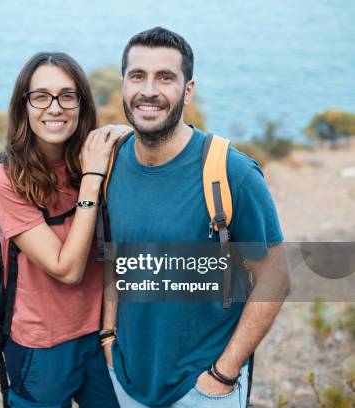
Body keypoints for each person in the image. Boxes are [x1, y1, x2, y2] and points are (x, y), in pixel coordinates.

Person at [101, 27, 290, 407]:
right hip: (127, 381)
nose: (149, 90)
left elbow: (275, 277)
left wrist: (223, 373)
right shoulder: (108, 164)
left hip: (201, 389)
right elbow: (115, 258)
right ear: (123, 85)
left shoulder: (231, 172)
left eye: (165, 77)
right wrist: (108, 335)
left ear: (187, 91)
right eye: (137, 76)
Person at [0, 51, 127, 407]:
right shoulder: (4, 180)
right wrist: (93, 179)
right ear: (24, 106)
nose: (54, 108)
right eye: (40, 96)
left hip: (102, 335)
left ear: (81, 104)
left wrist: (125, 135)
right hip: (41, 345)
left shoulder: (98, 156)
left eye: (67, 96)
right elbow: (67, 269)